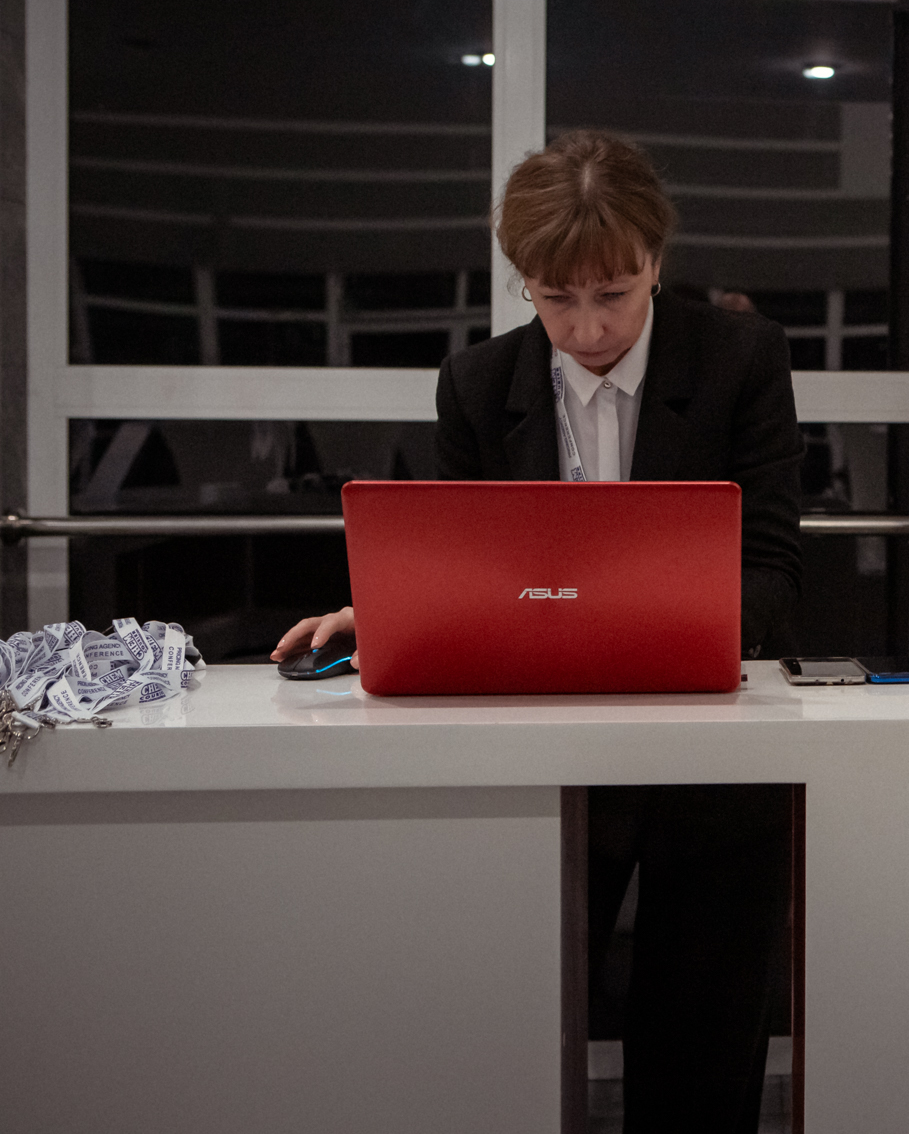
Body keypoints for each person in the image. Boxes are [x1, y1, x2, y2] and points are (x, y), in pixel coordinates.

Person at [273, 129, 803, 1133]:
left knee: (701, 1048)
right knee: (513, 1030)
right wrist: (392, 612)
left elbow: (773, 574)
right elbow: (468, 570)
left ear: (657, 260)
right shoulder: (477, 384)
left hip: (711, 750)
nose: (587, 327)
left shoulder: (741, 358)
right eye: (556, 298)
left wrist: (631, 623)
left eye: (614, 293)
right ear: (523, 280)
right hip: (538, 757)